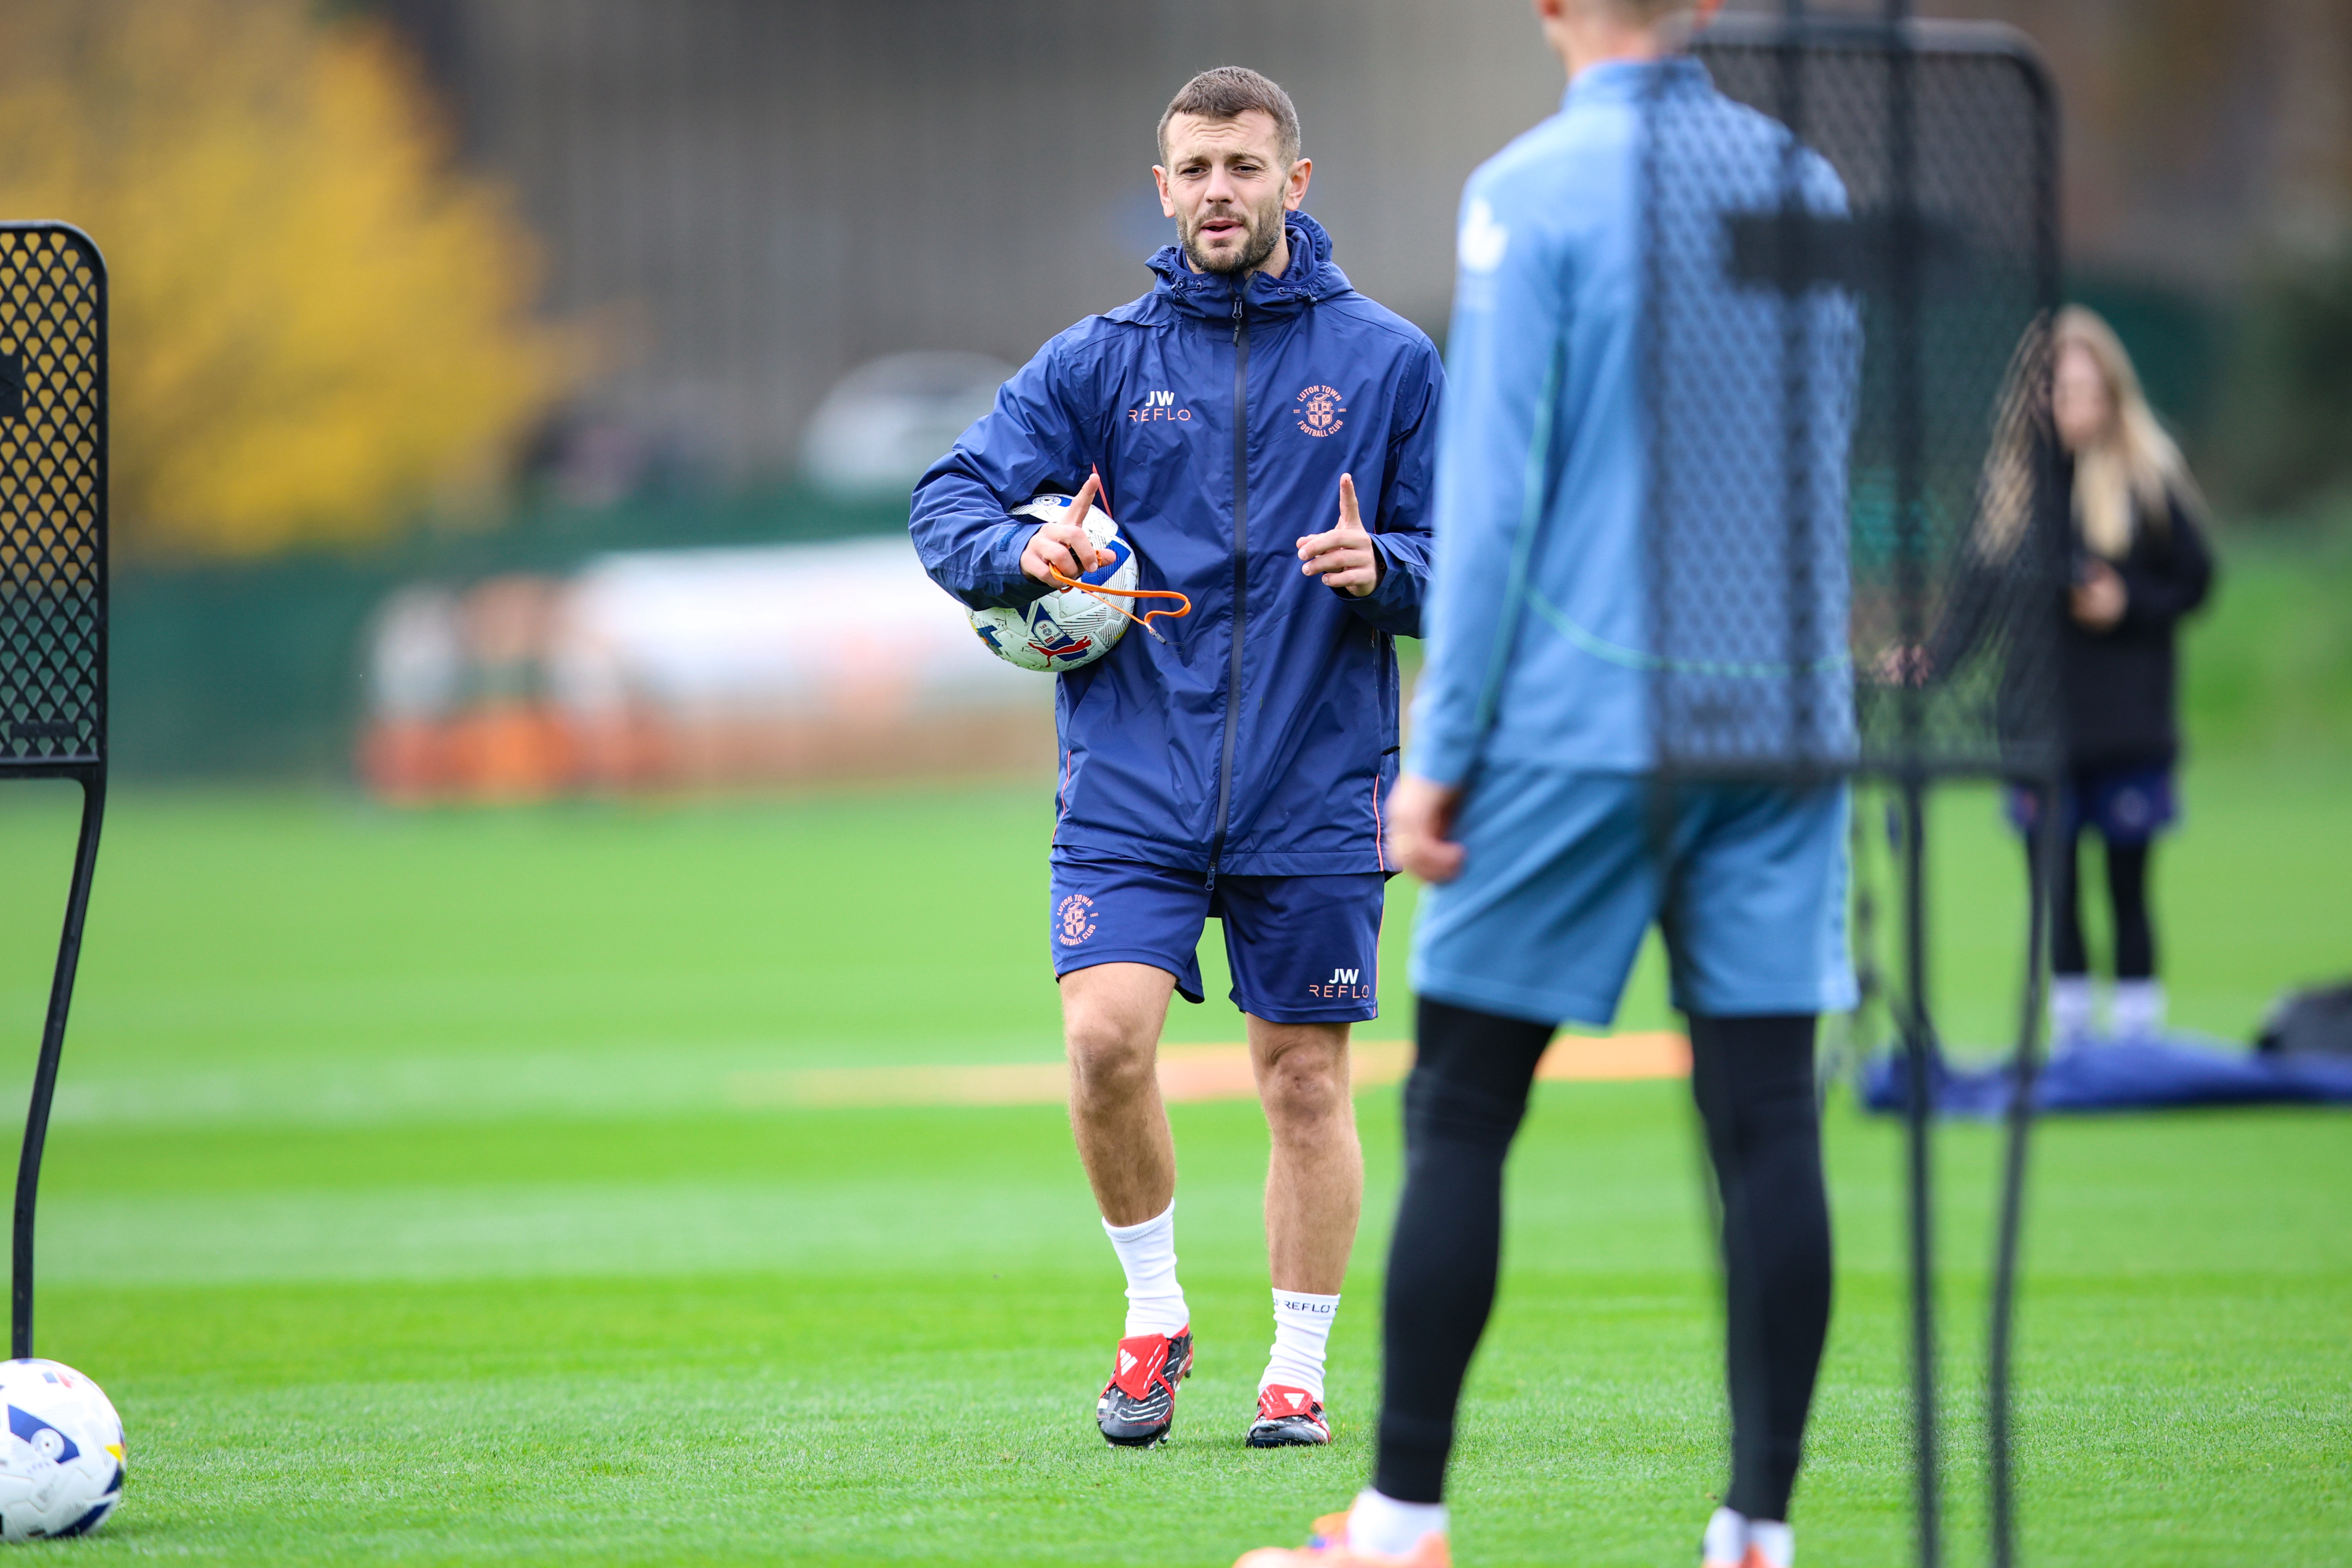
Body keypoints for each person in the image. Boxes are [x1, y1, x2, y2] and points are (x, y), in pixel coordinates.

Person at [1238, 0, 1860, 1563]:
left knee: (1459, 1111)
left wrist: (1437, 760)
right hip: (1780, 717)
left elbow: (1497, 503)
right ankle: (1755, 1533)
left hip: (1582, 720)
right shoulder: (1806, 184)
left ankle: (1398, 1524)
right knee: (1769, 1126)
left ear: (1549, 9)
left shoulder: (1528, 191)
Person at [910, 67, 1442, 1450]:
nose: (1220, 190)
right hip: (1132, 778)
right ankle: (1154, 1317)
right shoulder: (1099, 359)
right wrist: (1019, 553)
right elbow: (946, 496)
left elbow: (1476, 563)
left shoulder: (1387, 363)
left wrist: (1384, 570)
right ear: (1164, 188)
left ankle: (1299, 1370)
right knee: (1101, 1044)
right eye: (1196, 168)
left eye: (1244, 167)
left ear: (1294, 183)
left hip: (1313, 781)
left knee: (1305, 1082)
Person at [2010, 307, 2214, 1047]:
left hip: (2127, 726)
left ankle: (2137, 1045)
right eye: (2059, 392)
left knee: (2128, 888)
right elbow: (1982, 592)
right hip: (2043, 732)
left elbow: (2196, 581)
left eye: (2087, 391)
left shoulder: (2148, 478)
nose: (2074, 408)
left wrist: (2126, 604)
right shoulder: (2016, 490)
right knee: (2055, 892)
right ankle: (2071, 1043)